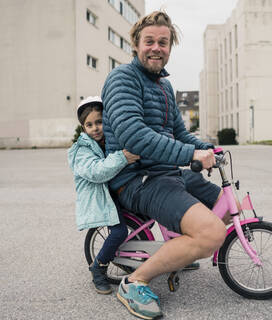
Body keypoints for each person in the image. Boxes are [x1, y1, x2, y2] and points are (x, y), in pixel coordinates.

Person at [101, 11, 229, 320]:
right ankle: (135, 282)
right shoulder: (123, 79)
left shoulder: (163, 86)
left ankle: (179, 251)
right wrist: (189, 156)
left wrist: (208, 149)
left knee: (222, 203)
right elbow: (135, 136)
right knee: (212, 234)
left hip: (165, 173)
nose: (157, 48)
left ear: (170, 47)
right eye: (150, 41)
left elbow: (181, 133)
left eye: (163, 42)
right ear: (136, 44)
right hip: (137, 179)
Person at [67, 96, 139, 295]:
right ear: (83, 128)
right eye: (89, 125)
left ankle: (127, 258)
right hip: (99, 197)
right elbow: (97, 172)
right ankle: (98, 268)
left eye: (99, 122)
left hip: (113, 192)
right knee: (118, 232)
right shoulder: (80, 150)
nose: (95, 128)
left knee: (144, 218)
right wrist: (123, 157)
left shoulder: (109, 140)